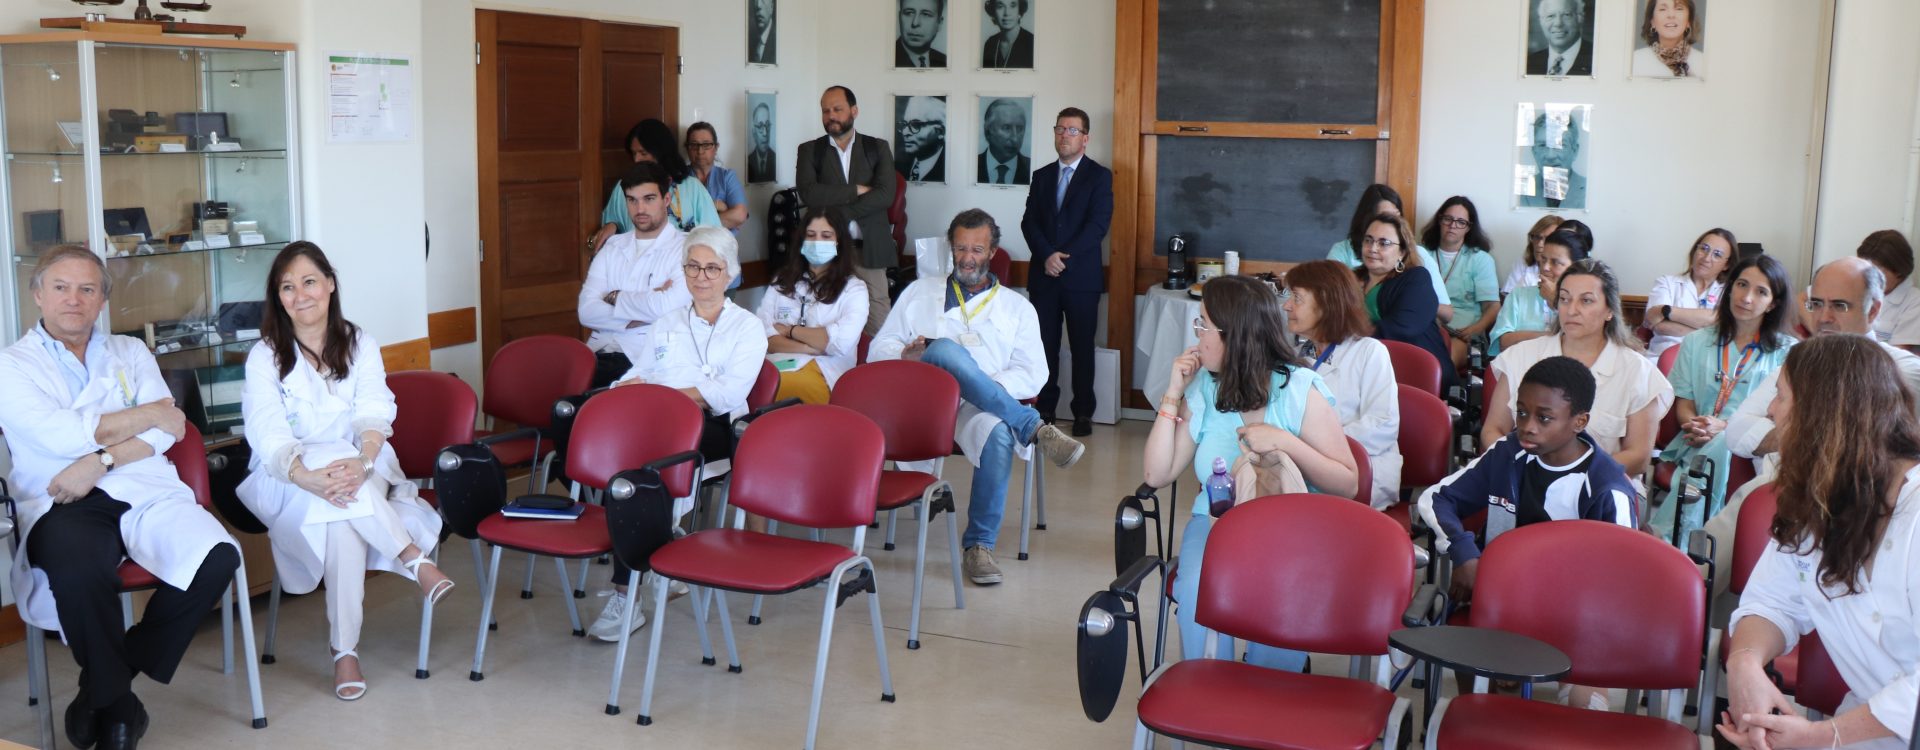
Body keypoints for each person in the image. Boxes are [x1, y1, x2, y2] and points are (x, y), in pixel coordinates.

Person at [0, 246, 241, 749]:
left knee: (218, 557)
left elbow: (168, 431)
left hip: (140, 484)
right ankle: (120, 708)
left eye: (87, 289)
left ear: (102, 301)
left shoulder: (130, 351)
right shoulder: (11, 365)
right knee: (80, 569)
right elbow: (59, 434)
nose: (74, 299)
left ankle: (102, 689)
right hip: (61, 498)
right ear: (38, 294)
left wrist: (100, 460)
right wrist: (148, 413)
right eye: (61, 287)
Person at [237, 242, 452, 701]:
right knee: (338, 515)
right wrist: (304, 476)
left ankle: (344, 652)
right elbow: (267, 430)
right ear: (278, 297)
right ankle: (412, 557)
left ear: (330, 285)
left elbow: (374, 409)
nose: (300, 295)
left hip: (363, 463)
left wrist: (364, 461)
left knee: (340, 508)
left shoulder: (360, 343)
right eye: (287, 287)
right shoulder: (264, 356)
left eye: (309, 282)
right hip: (288, 476)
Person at [1142, 275, 1357, 670]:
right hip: (1216, 523)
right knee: (1197, 588)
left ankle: (1271, 689)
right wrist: (1173, 392)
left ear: (1234, 335)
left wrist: (1285, 442)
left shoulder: (1298, 390)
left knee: (1281, 593)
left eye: (1204, 324)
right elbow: (1158, 474)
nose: (1197, 334)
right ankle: (1210, 688)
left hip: (1287, 529)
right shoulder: (1206, 387)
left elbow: (1348, 483)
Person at [1718, 335, 1919, 750]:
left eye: (1780, 397)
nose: (1771, 412)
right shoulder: (1820, 500)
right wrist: (1745, 663)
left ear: (1821, 414)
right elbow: (1771, 603)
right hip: (1862, 733)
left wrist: (1823, 736)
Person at [870, 209, 1087, 587]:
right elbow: (878, 350)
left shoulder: (1017, 308)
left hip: (978, 407)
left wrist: (978, 384)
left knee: (998, 432)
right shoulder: (920, 292)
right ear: (950, 249)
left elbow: (1034, 373)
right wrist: (906, 355)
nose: (967, 258)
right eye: (960, 248)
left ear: (992, 252)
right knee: (941, 349)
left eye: (977, 249)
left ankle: (979, 545)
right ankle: (1033, 427)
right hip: (923, 404)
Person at [1422, 356, 1635, 711]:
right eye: (1521, 413)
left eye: (1544, 418)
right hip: (1502, 603)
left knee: (1586, 711)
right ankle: (1484, 710)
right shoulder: (1508, 454)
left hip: (1579, 618)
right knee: (1475, 683)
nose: (1527, 426)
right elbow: (1436, 498)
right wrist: (1465, 553)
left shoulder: (1607, 488)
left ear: (1579, 422)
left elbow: (1620, 584)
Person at [589, 227, 768, 641]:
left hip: (718, 427)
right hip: (660, 424)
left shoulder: (747, 327)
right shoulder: (667, 322)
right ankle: (656, 552)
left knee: (642, 474)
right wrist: (625, 387)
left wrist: (666, 395)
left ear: (729, 273)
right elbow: (640, 372)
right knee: (624, 472)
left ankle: (626, 594)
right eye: (692, 267)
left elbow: (727, 393)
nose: (701, 277)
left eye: (712, 268)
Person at [1705, 257, 1920, 599]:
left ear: (1874, 309)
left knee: (1767, 494)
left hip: (1862, 499)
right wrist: (1817, 434)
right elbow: (1737, 431)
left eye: (1839, 305)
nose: (1824, 317)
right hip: (1782, 489)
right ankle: (1683, 599)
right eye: (1817, 304)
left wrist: (1798, 433)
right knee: (1761, 497)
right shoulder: (1800, 361)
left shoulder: (1901, 371)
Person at [1647, 254, 1793, 543]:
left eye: (1761, 292)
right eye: (1741, 285)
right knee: (1718, 445)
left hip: (1755, 448)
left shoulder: (1788, 352)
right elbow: (1684, 404)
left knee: (1724, 443)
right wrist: (1699, 427)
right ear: (1730, 287)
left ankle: (1668, 536)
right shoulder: (1696, 341)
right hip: (1694, 438)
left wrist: (1724, 429)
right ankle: (1696, 544)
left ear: (1773, 303)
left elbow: (1779, 417)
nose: (1746, 297)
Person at [1482, 259, 1672, 479]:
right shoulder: (1521, 356)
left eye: (1586, 301)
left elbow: (1638, 457)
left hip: (1600, 483)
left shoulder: (1638, 371)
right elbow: (1493, 430)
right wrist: (1522, 470)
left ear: (1609, 310)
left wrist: (1569, 477)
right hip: (1521, 477)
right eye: (1564, 299)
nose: (1571, 310)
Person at [1022, 107, 1113, 437]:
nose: (1065, 135)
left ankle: (1083, 412)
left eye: (1072, 130)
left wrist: (1063, 260)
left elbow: (1097, 226)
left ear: (1085, 138)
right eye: (1060, 128)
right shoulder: (1042, 176)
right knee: (1044, 346)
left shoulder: (1099, 176)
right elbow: (1029, 222)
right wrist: (1047, 255)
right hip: (1043, 277)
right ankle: (1045, 408)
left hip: (1081, 279)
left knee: (1082, 347)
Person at [1283, 260, 1402, 509]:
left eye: (1297, 298)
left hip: (1361, 470)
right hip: (1303, 466)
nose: (1287, 305)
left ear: (1326, 303)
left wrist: (1312, 446)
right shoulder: (1296, 356)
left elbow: (1383, 424)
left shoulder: (1369, 352)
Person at [578, 161, 692, 388]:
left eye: (649, 199)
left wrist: (614, 297)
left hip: (643, 358)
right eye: (632, 200)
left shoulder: (686, 248)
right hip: (596, 351)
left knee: (572, 400)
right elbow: (586, 311)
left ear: (666, 200)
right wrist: (642, 311)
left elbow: (667, 308)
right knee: (546, 381)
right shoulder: (613, 246)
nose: (640, 209)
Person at [797, 86, 898, 335]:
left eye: (837, 109)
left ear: (854, 111)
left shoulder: (877, 148)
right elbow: (809, 193)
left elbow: (885, 195)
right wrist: (856, 190)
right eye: (825, 111)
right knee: (824, 312)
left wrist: (840, 215)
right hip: (826, 250)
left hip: (869, 248)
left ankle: (877, 360)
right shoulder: (810, 151)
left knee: (878, 318)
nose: (831, 116)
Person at [758, 206, 869, 405]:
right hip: (777, 365)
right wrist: (810, 347)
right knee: (750, 384)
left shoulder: (854, 289)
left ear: (839, 241)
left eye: (826, 236)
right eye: (811, 235)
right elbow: (762, 336)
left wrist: (790, 331)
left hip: (825, 370)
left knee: (784, 388)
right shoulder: (781, 281)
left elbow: (840, 343)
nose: (817, 242)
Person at [1357, 212, 1459, 393]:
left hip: (1417, 378)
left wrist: (1348, 335)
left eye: (1383, 243)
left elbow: (1402, 327)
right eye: (1368, 240)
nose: (1373, 248)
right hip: (1366, 372)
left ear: (1402, 252)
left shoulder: (1416, 278)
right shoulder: (1351, 279)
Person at [1326, 183, 1452, 323]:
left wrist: (1415, 299)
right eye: (1384, 217)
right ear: (1367, 220)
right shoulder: (1342, 251)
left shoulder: (1418, 256)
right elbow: (1327, 303)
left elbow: (1447, 314)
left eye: (1397, 216)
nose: (1392, 222)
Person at [589, 119, 720, 252]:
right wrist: (613, 225)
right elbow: (612, 224)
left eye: (643, 153)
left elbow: (715, 236)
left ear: (661, 153)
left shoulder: (692, 188)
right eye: (634, 153)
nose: (637, 160)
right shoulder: (623, 187)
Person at [1421, 196, 1502, 368]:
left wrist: (1476, 329)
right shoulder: (1421, 255)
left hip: (1463, 335)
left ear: (1468, 227)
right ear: (1439, 220)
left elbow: (1492, 306)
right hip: (1426, 328)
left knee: (1440, 364)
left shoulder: (1481, 259)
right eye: (1448, 219)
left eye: (1460, 222)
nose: (1452, 225)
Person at [1488, 227, 1589, 358]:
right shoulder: (1519, 295)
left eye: (1555, 262)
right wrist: (1551, 338)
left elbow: (1583, 342)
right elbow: (1503, 342)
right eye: (1543, 259)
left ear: (1576, 267)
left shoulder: (1587, 301)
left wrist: (1555, 302)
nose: (1545, 267)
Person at [1643, 228, 1736, 359]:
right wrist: (1711, 331)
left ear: (1726, 265)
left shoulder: (1730, 293)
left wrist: (1667, 311)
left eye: (1717, 254)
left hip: (1707, 362)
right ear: (1694, 251)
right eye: (1704, 248)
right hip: (1660, 359)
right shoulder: (1666, 283)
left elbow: (1723, 325)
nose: (1706, 258)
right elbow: (1659, 325)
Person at [1859, 229, 1920, 350]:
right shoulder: (1857, 288)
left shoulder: (1915, 303)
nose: (1869, 276)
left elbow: (1898, 354)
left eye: (1877, 271)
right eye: (1865, 268)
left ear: (1898, 271)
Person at [684, 122, 748, 233]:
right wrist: (721, 208)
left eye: (706, 145)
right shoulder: (680, 179)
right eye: (694, 145)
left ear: (716, 147)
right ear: (687, 148)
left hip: (723, 243)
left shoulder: (727, 177)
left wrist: (694, 226)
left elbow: (740, 215)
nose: (700, 151)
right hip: (687, 243)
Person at [1518, 109, 1587, 209]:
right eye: (1542, 145)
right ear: (1534, 151)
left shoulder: (1590, 189)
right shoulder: (1521, 190)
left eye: (1559, 145)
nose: (1550, 156)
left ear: (1575, 151)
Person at [1632, 0, 1707, 78]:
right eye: (1663, 9)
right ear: (1652, 21)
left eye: (1679, 8)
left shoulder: (1704, 63)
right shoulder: (1635, 61)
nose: (1671, 15)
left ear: (1689, 21)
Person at [1526, 0, 1592, 76]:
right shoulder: (1529, 62)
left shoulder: (1596, 58)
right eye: (1550, 16)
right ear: (1541, 22)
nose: (1558, 23)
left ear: (1580, 18)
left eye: (1566, 15)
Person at [1502, 214, 1563, 296]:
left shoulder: (1570, 269)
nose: (1539, 244)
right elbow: (1508, 295)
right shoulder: (1524, 261)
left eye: (1548, 239)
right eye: (1537, 237)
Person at [978, 98, 1031, 186]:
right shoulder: (972, 166)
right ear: (988, 132)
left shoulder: (1032, 168)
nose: (1015, 139)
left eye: (1019, 129)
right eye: (1006, 128)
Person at [895, 95, 947, 182]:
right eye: (904, 124)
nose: (905, 132)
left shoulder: (949, 167)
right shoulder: (898, 165)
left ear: (940, 131)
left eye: (916, 125)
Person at [980, 0, 1034, 68]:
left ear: (1020, 11)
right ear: (993, 12)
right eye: (1000, 6)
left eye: (1012, 6)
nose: (1007, 13)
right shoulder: (990, 44)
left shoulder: (1032, 42)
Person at [895, 0, 947, 68]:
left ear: (939, 23)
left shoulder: (945, 61)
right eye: (909, 13)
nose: (915, 23)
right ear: (899, 18)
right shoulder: (887, 58)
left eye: (926, 14)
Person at [747, 102, 776, 184]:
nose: (765, 133)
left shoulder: (775, 158)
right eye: (760, 126)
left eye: (767, 125)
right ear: (754, 132)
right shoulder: (748, 160)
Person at [748, 0, 776, 65]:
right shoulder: (750, 43)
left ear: (772, 6)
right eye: (756, 1)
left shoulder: (779, 43)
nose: (758, 5)